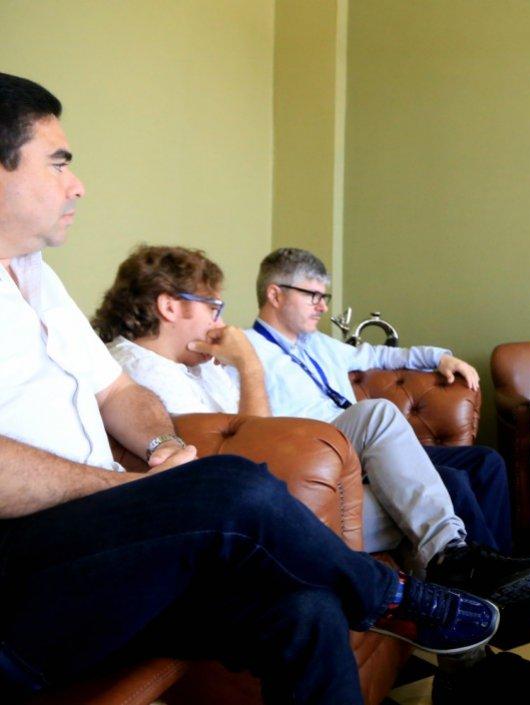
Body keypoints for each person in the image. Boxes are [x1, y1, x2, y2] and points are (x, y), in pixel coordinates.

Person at [0, 71, 496, 704]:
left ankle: (409, 588)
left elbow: (118, 392)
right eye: (58, 164)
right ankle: (393, 597)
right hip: (23, 572)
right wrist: (131, 490)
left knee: (308, 611)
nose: (77, 185)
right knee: (230, 484)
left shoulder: (34, 275)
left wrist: (158, 448)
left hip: (105, 551)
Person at [91, 245, 522, 568]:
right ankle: (468, 581)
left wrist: (439, 355)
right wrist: (249, 365)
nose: (219, 322)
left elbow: (376, 358)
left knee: (425, 453)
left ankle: (461, 576)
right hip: (277, 485)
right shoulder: (136, 376)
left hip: (314, 461)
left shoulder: (202, 367)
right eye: (213, 308)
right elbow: (251, 456)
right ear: (169, 306)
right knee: (433, 487)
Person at [242, 247, 530, 606]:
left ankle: (505, 573)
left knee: (486, 462)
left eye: (323, 297)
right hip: (324, 453)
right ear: (275, 294)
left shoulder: (320, 344)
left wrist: (440, 356)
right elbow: (254, 429)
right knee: (443, 473)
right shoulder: (247, 353)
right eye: (312, 295)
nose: (322, 306)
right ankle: (484, 584)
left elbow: (384, 355)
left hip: (369, 447)